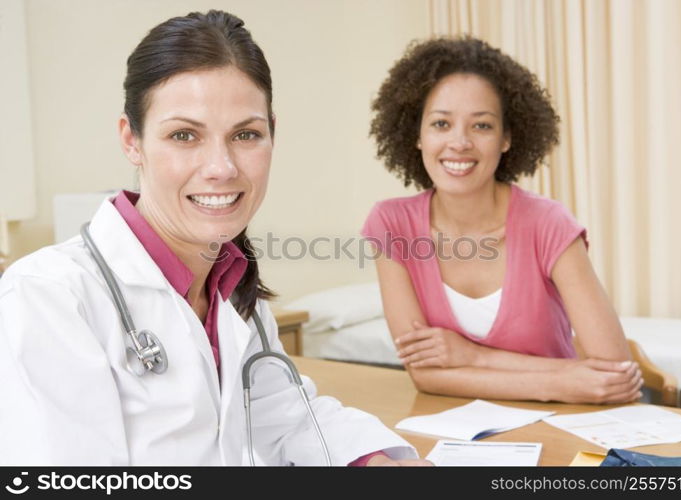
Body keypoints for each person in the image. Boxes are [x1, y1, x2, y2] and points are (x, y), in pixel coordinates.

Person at [0, 10, 429, 466]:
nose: (222, 167)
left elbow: (283, 419)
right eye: (184, 135)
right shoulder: (47, 297)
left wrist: (374, 463)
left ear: (272, 135)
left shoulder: (232, 284)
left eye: (246, 134)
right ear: (132, 140)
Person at [362, 37, 642, 404]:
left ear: (507, 138)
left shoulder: (548, 223)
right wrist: (562, 381)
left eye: (481, 126)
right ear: (417, 136)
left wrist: (472, 357)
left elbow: (614, 370)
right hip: (454, 432)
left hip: (562, 427)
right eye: (441, 124)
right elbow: (425, 373)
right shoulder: (391, 224)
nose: (459, 142)